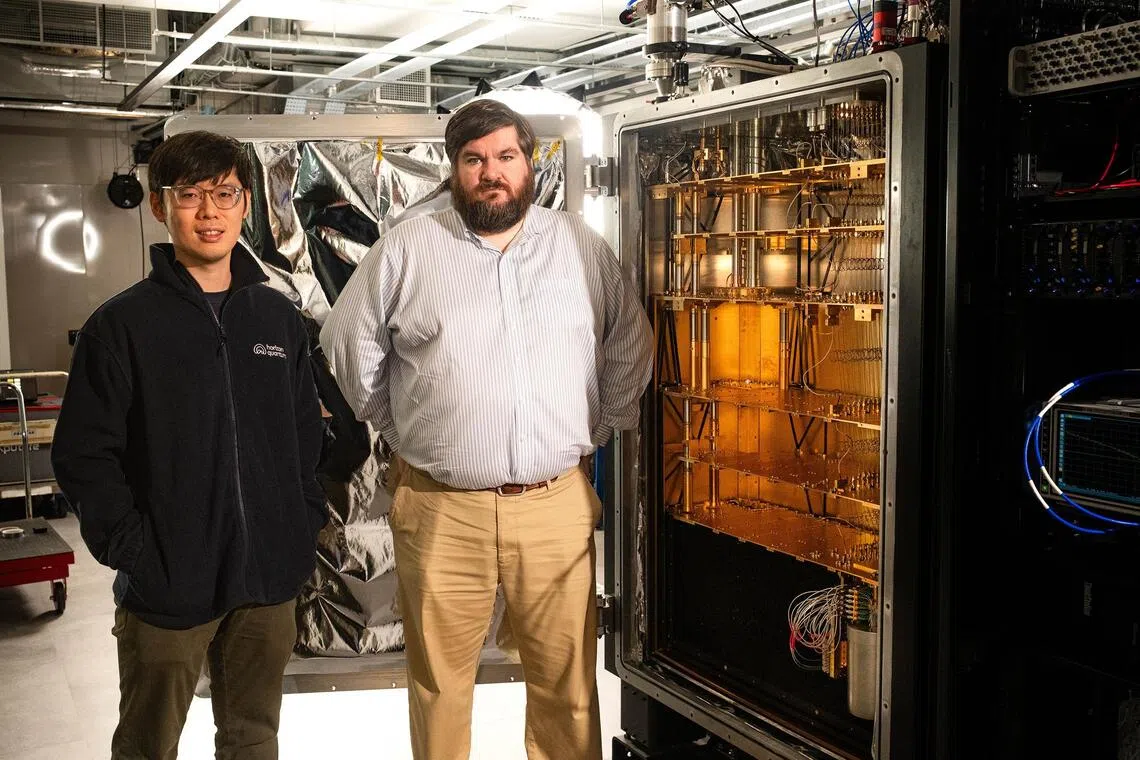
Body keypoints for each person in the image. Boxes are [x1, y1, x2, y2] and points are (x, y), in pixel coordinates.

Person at [321, 98, 654, 760]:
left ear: (530, 165)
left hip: (553, 507)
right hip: (443, 510)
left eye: (506, 157)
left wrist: (596, 428)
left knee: (568, 689)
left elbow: (629, 344)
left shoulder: (577, 246)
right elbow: (346, 346)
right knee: (441, 689)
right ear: (453, 170)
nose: (491, 172)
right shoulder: (410, 248)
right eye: (474, 159)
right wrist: (410, 425)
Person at [51, 130, 328, 760]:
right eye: (190, 195)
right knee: (148, 745)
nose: (209, 211)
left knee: (254, 738)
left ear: (247, 203)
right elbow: (84, 456)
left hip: (265, 580)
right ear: (158, 206)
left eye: (224, 194)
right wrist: (136, 551)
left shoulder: (276, 319)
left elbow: (305, 435)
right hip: (168, 582)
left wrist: (298, 522)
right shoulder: (121, 326)